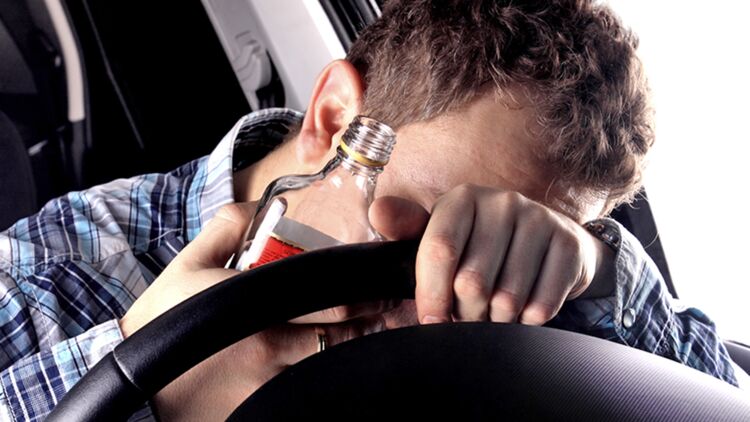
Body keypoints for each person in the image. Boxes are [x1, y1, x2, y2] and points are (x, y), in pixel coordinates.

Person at [0, 0, 746, 420]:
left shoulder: (534, 297)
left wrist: (591, 269)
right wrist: (148, 386)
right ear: (335, 118)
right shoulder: (48, 278)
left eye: (492, 251)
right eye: (419, 233)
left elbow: (716, 398)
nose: (439, 306)